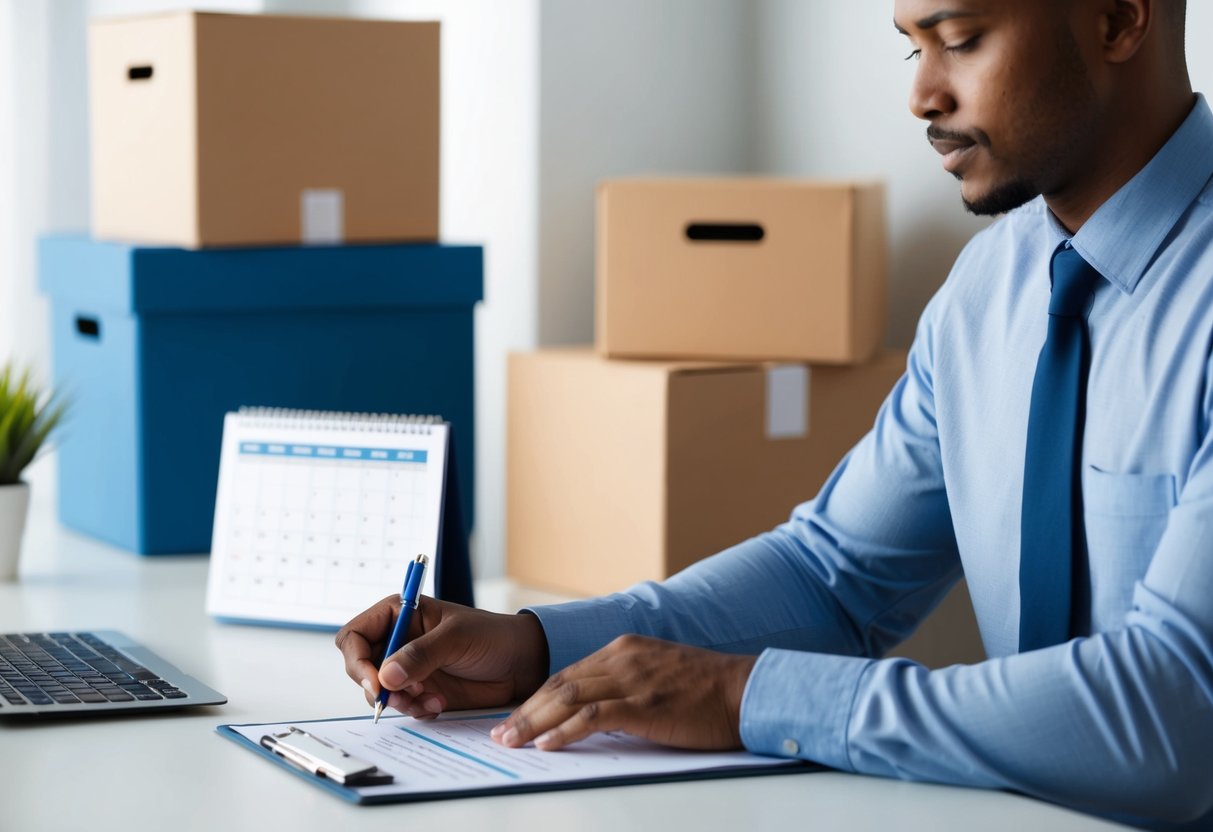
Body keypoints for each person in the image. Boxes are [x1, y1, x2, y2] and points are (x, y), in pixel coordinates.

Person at [337, 0, 1213, 826]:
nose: (920, 94)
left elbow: (1176, 717)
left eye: (962, 36)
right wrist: (538, 648)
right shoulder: (987, 291)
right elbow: (831, 578)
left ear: (1117, 17)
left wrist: (743, 695)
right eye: (914, 45)